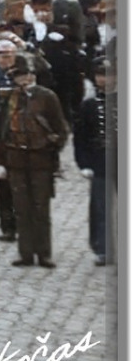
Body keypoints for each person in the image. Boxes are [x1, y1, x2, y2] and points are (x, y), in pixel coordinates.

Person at [0, 59, 70, 269]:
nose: (23, 80)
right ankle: (25, 253)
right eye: (18, 76)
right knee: (21, 208)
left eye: (25, 75)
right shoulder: (9, 99)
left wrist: (50, 145)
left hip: (40, 161)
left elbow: (61, 130)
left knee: (41, 208)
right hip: (15, 161)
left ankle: (44, 253)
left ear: (33, 75)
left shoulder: (47, 97)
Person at [74, 57, 116, 267]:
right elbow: (80, 138)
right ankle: (102, 248)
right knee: (100, 207)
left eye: (109, 75)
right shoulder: (89, 105)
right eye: (101, 75)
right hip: (100, 163)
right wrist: (84, 164)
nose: (105, 80)